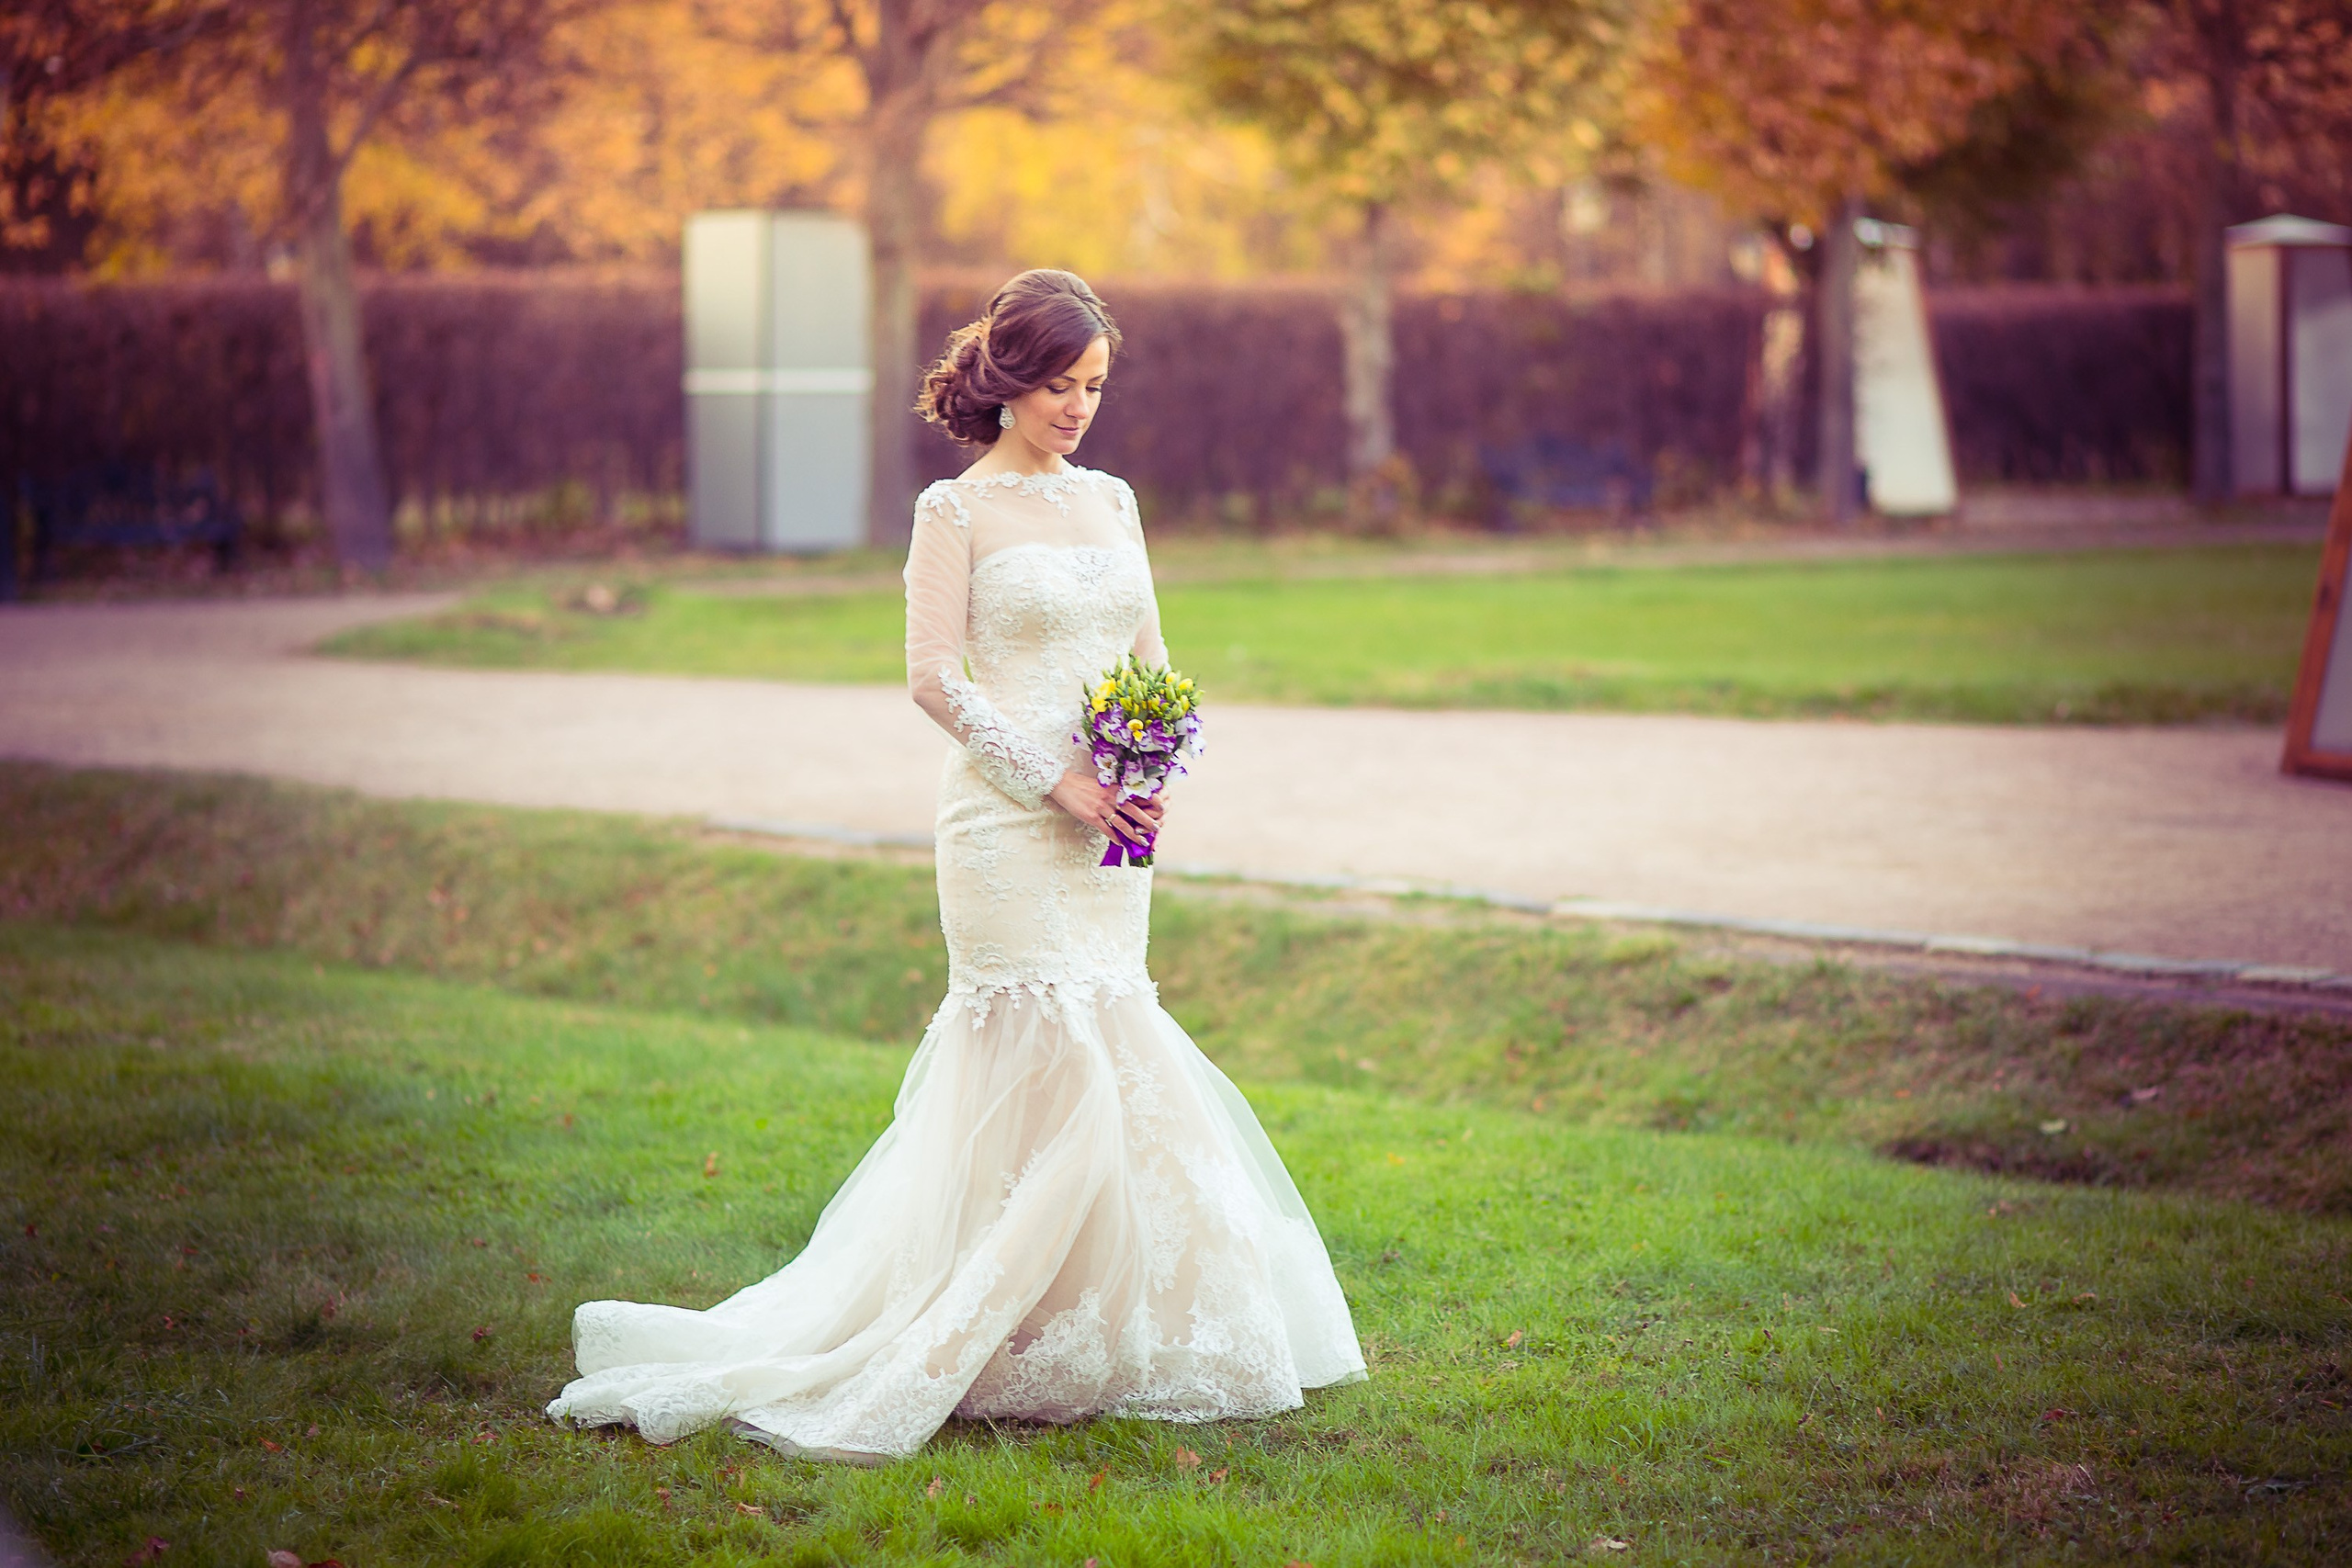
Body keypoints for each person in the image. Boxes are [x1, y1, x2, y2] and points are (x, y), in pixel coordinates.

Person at [546, 269, 1364, 1463]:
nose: (1079, 406)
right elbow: (934, 679)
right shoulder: (956, 513)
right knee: (1039, 1060)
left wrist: (1146, 780)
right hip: (1004, 826)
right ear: (1006, 379)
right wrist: (1057, 782)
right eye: (1057, 384)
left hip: (1110, 832)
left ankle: (1094, 1331)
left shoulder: (1117, 501)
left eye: (1094, 386)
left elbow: (1153, 658)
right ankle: (979, 1333)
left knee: (1115, 1042)